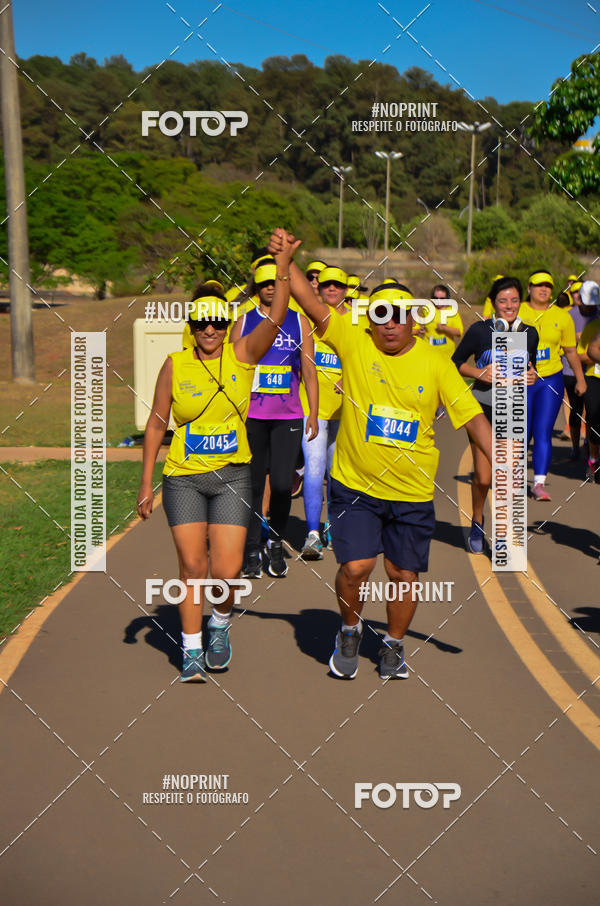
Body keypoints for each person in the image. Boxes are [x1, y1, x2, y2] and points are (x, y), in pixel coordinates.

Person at [270, 228, 492, 680]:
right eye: (381, 314)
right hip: (355, 486)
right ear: (368, 320)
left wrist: (502, 461)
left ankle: (393, 645)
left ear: (413, 319)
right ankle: (349, 629)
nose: (390, 323)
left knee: (403, 575)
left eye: (399, 315)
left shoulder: (435, 362)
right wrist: (286, 261)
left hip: (411, 494)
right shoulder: (355, 344)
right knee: (356, 567)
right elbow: (310, 303)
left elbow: (472, 419)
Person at [136, 239, 296, 681]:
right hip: (184, 478)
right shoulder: (175, 365)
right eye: (202, 322)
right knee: (192, 567)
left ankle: (220, 623)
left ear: (227, 324)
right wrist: (146, 482)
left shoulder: (243, 356)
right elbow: (155, 424)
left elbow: (277, 315)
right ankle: (190, 650)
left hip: (232, 477)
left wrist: (282, 268)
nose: (210, 330)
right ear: (192, 324)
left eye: (217, 322)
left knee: (225, 570)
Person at [230, 258, 319, 579]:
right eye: (265, 283)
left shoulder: (299, 321)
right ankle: (251, 548)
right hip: (252, 416)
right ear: (257, 286)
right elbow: (232, 370)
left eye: (275, 283)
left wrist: (313, 413)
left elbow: (308, 369)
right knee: (252, 485)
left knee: (282, 485)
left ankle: (276, 542)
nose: (270, 288)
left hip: (289, 416)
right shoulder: (242, 322)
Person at [452, 276, 539, 552]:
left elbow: (532, 367)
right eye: (503, 300)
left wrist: (532, 376)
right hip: (481, 409)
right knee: (484, 477)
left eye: (514, 300)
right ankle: (477, 519)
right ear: (493, 303)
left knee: (509, 475)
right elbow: (454, 363)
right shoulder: (479, 331)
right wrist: (479, 372)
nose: (509, 305)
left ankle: (505, 537)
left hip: (513, 407)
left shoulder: (530, 334)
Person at [518, 269, 587, 500]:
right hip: (520, 380)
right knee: (520, 433)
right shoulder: (517, 310)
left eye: (548, 285)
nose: (543, 289)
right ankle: (513, 479)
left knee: (543, 432)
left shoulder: (562, 316)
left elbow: (570, 351)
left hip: (551, 379)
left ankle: (538, 483)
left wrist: (580, 379)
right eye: (538, 285)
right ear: (529, 288)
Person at [299, 266, 350, 559]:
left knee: (337, 473)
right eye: (326, 284)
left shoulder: (355, 325)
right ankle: (312, 534)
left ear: (345, 290)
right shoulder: (305, 322)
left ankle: (333, 527)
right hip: (312, 409)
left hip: (344, 411)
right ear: (318, 289)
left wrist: (350, 376)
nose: (331, 289)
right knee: (315, 468)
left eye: (337, 285)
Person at [559, 280, 597, 457]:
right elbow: (565, 347)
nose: (590, 308)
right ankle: (575, 447)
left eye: (593, 304)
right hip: (571, 371)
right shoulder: (568, 316)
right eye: (587, 303)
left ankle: (590, 445)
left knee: (593, 413)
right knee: (576, 410)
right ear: (580, 299)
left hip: (592, 373)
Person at [577, 307, 600, 481]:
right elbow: (581, 355)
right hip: (594, 377)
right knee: (593, 418)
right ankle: (593, 458)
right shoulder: (593, 327)